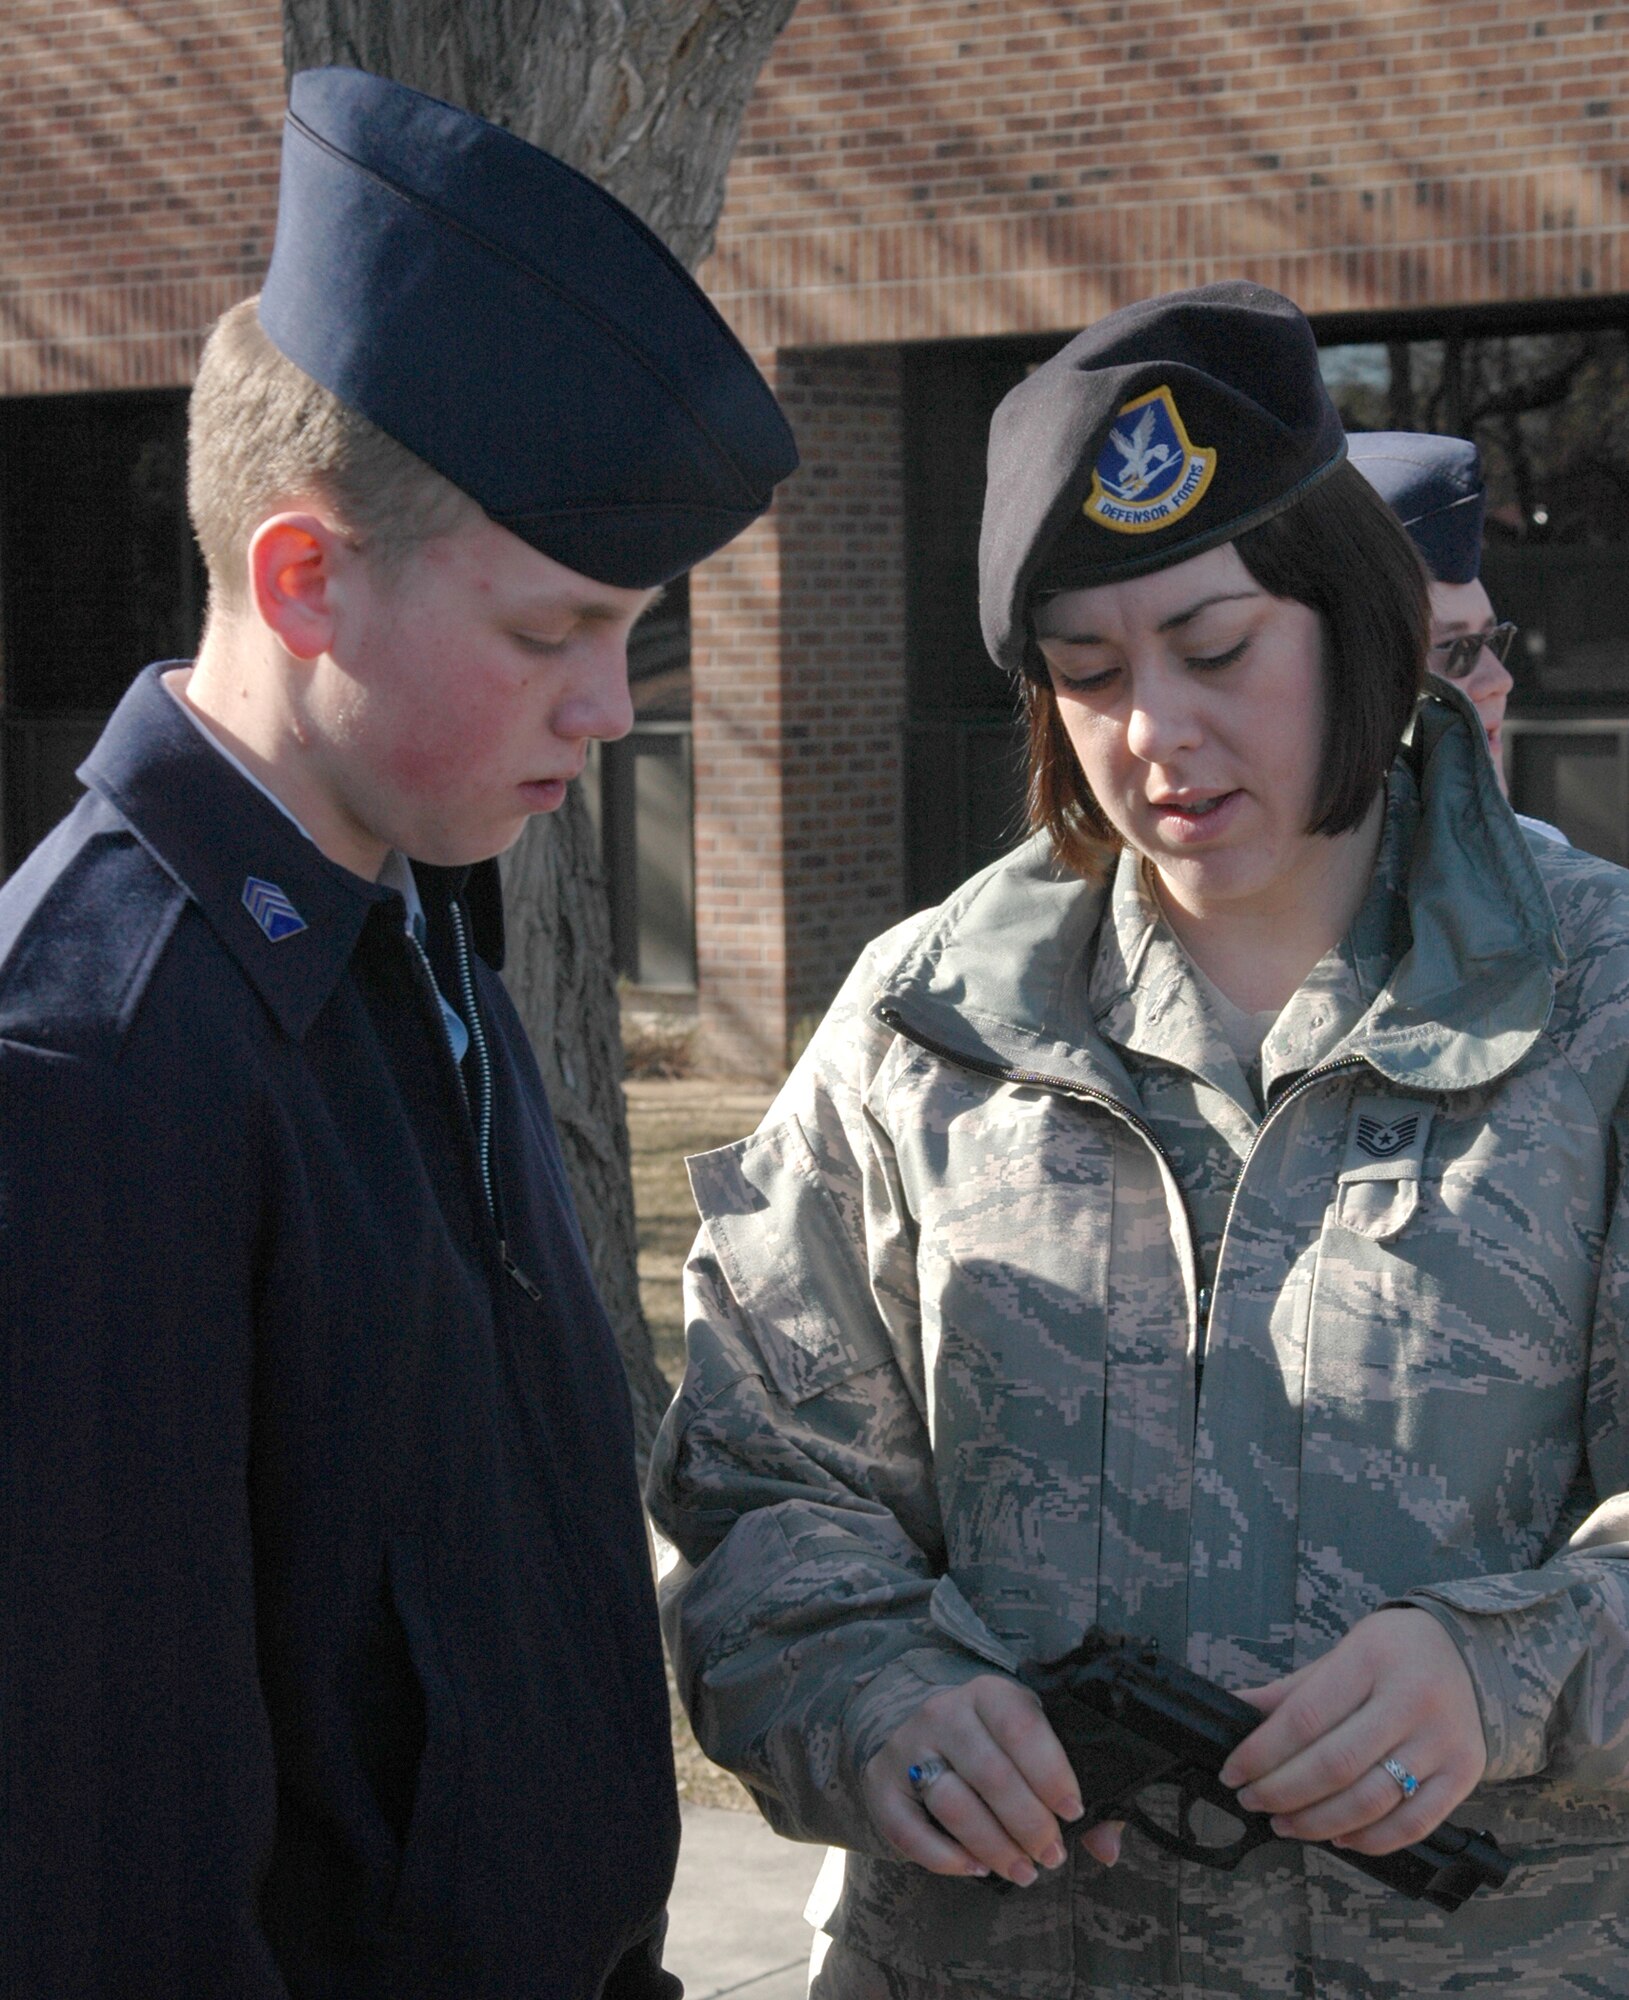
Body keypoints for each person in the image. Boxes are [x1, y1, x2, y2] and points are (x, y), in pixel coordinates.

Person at [648, 283, 1629, 1998]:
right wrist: (882, 1700)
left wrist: (1503, 1669)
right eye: (1086, 674)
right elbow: (758, 1495)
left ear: (1359, 623)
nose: (1154, 733)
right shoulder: (921, 1029)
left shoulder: (1596, 1006)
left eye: (1216, 647)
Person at [0, 68, 795, 2000]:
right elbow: (109, 1885)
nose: (610, 711)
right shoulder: (87, 1059)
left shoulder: (411, 923)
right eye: (552, 633)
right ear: (303, 577)